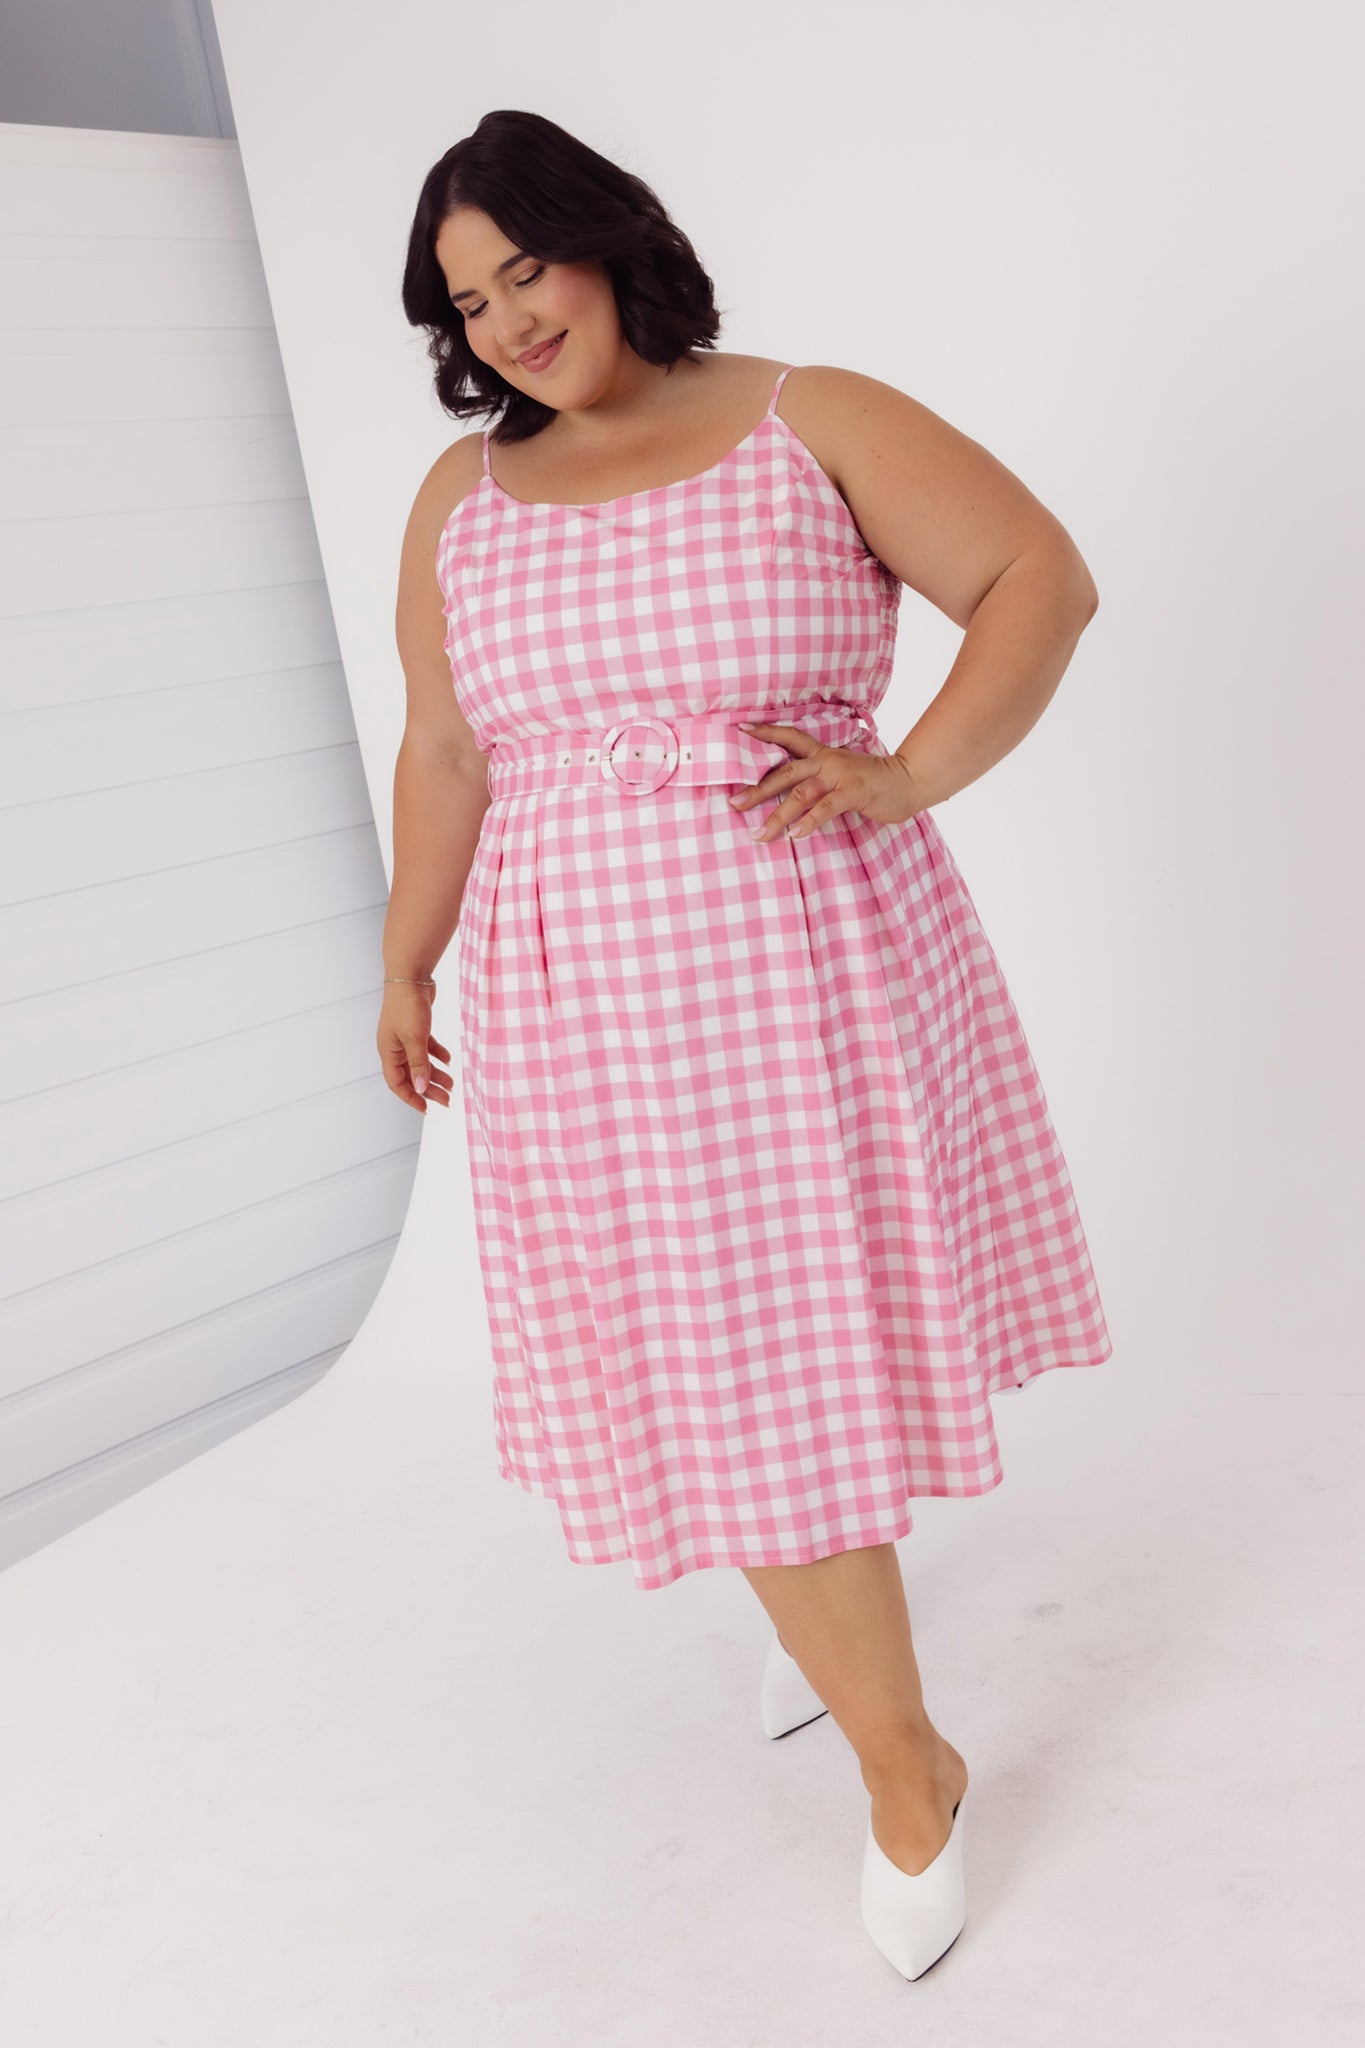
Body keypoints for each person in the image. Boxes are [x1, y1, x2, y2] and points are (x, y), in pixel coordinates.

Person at [383, 108, 1113, 1979]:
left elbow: (1037, 578)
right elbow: (450, 751)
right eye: (470, 302)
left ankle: (907, 1772)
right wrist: (408, 960)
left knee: (778, 1348)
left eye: (523, 268)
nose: (507, 323)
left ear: (604, 236)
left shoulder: (810, 416)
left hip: (794, 978)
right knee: (692, 1348)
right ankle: (853, 1673)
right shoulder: (463, 500)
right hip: (570, 1012)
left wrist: (904, 775)